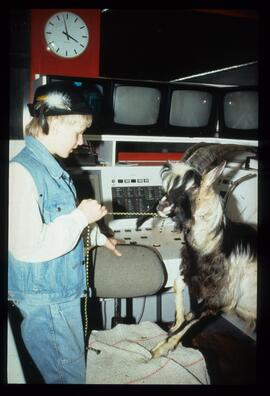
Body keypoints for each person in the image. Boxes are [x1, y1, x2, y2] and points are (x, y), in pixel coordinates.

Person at [8, 81, 121, 384]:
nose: (81, 140)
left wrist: (99, 237)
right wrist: (81, 216)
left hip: (57, 293)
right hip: (48, 300)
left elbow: (55, 219)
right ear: (54, 123)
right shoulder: (22, 171)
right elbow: (27, 248)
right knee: (68, 376)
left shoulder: (49, 168)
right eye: (78, 132)